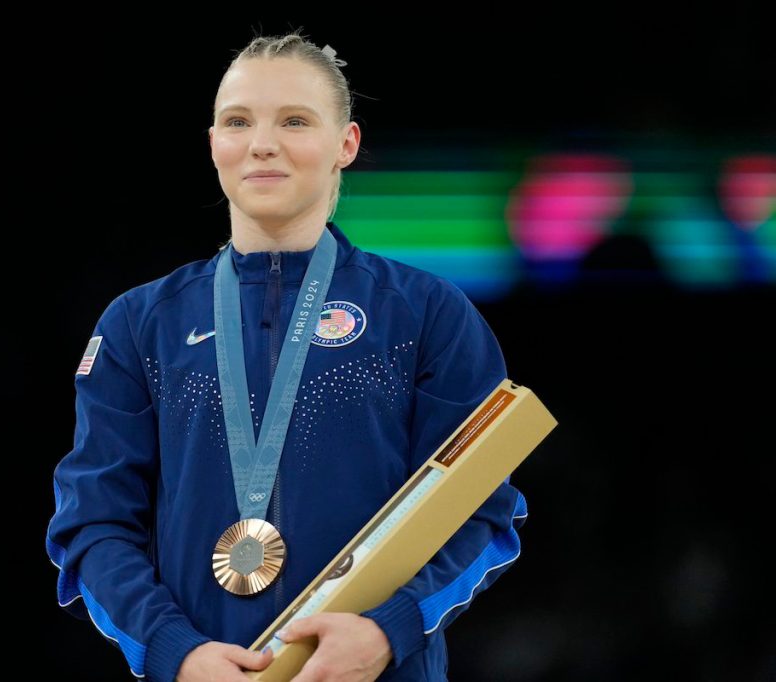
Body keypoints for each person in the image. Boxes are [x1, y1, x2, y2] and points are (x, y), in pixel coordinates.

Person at [45, 29, 528, 682]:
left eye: (295, 121)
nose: (261, 143)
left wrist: (390, 630)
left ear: (345, 145)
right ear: (213, 142)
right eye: (237, 121)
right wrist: (174, 651)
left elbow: (479, 509)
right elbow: (94, 526)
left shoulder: (426, 314)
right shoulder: (140, 324)